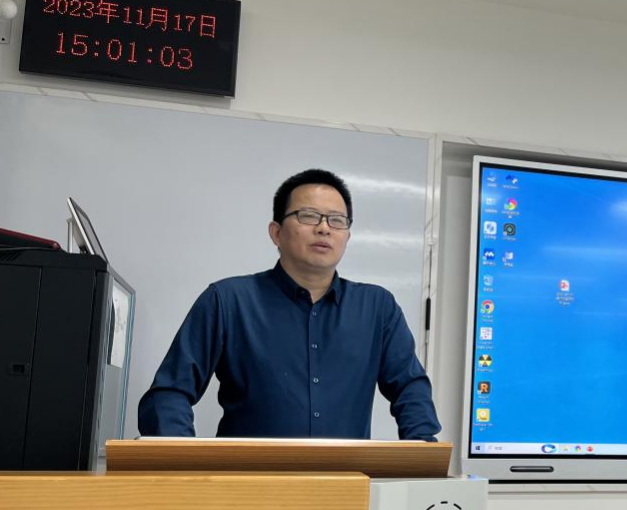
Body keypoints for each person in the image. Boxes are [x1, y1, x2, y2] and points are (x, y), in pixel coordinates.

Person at [138, 169, 439, 441]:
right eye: (308, 216)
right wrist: (182, 464)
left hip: (346, 482)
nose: (324, 228)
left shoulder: (377, 308)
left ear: (347, 236)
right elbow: (169, 393)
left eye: (337, 220)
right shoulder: (228, 300)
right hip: (247, 481)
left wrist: (422, 455)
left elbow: (410, 388)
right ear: (276, 233)